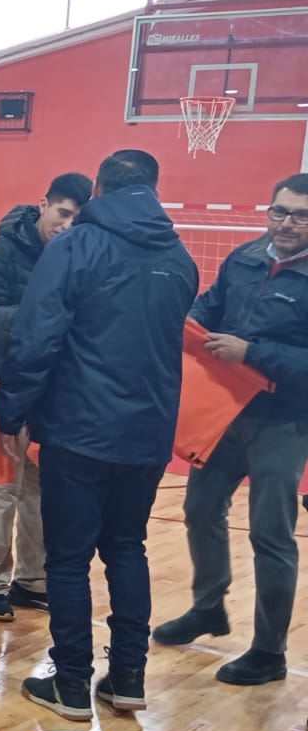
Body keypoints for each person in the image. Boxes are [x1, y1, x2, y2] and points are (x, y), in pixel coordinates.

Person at [0, 150, 197, 719]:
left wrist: (12, 411)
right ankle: (128, 676)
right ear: (153, 191)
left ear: (99, 192)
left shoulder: (75, 247)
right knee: (127, 548)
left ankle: (72, 681)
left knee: (67, 559)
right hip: (148, 433)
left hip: (80, 431)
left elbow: (37, 337)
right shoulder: (180, 258)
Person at [153, 173, 308, 687]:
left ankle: (269, 652)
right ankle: (207, 608)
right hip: (224, 414)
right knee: (199, 508)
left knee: (271, 535)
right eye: (279, 212)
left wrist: (252, 354)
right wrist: (194, 328)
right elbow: (210, 304)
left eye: (300, 216)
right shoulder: (244, 258)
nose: (286, 224)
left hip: (282, 422)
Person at [0, 172, 91, 620]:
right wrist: (41, 319)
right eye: (62, 213)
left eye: (76, 218)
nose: (66, 224)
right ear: (44, 205)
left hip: (54, 389)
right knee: (1, 487)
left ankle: (31, 579)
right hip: (6, 382)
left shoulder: (76, 254)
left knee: (41, 491)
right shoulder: (4, 248)